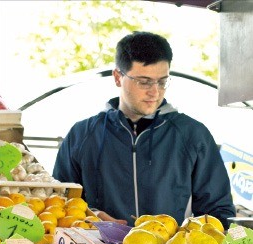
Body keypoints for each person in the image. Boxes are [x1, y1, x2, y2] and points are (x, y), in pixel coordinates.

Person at [53, 31, 235, 229]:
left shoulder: (193, 135)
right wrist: (92, 216)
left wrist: (186, 237)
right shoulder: (82, 135)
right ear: (117, 77)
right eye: (144, 82)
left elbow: (219, 212)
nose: (155, 91)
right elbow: (59, 204)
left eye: (162, 81)